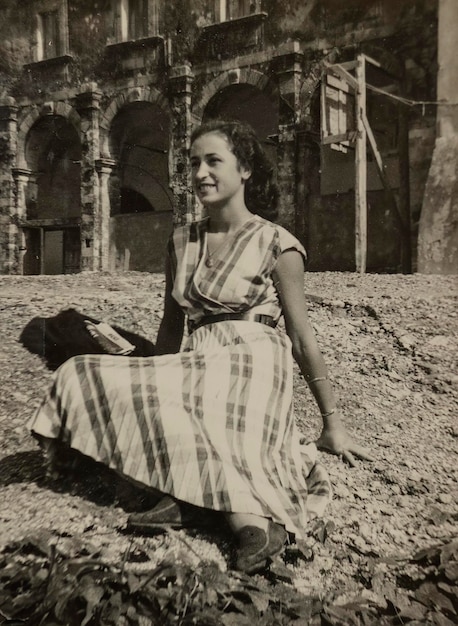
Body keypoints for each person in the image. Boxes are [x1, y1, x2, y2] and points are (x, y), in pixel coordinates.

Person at [30, 119, 372, 574]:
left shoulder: (277, 243)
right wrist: (150, 379)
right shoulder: (180, 242)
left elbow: (301, 336)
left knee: (215, 407)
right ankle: (196, 500)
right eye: (193, 163)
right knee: (81, 371)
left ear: (245, 169)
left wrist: (333, 423)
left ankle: (247, 522)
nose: (200, 173)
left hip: (256, 359)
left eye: (214, 161)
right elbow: (172, 328)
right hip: (198, 355)